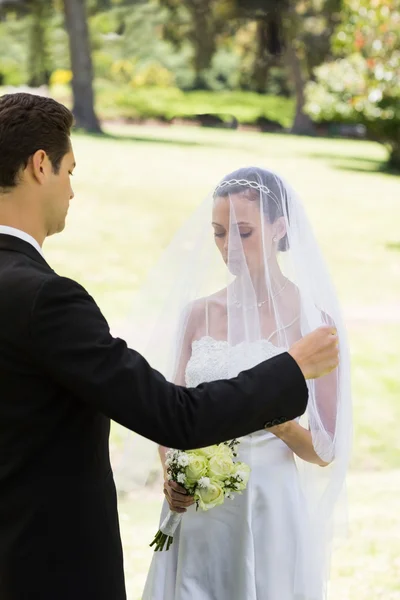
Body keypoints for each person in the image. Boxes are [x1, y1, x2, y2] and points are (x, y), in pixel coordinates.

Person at [0, 93, 338, 600]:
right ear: (41, 165)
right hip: (42, 561)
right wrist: (289, 369)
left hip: (268, 510)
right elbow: (170, 414)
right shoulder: (46, 298)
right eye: (70, 170)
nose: (72, 190)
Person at [143, 167, 352, 600]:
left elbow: (326, 448)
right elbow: (171, 412)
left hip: (268, 504)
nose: (228, 247)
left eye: (243, 232)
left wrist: (274, 420)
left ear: (279, 228)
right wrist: (172, 475)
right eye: (219, 233)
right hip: (199, 505)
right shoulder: (198, 314)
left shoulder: (316, 325)